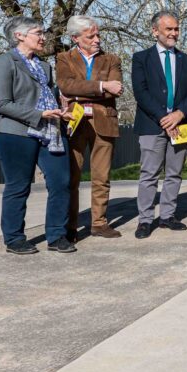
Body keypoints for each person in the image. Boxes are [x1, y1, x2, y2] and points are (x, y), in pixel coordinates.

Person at [0, 16, 75, 254]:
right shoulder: (2, 62)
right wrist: (40, 113)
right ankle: (14, 238)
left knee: (61, 181)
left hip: (49, 131)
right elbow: (2, 103)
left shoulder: (44, 66)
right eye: (38, 33)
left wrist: (60, 106)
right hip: (14, 133)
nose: (43, 37)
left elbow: (42, 95)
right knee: (19, 185)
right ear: (19, 35)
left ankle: (57, 235)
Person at [131, 10, 187, 239]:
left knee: (175, 173)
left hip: (181, 125)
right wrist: (165, 117)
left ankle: (168, 216)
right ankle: (145, 219)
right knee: (149, 174)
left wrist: (179, 114)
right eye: (168, 29)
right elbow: (141, 93)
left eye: (176, 29)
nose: (173, 33)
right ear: (155, 31)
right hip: (152, 125)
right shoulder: (141, 58)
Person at [56, 15, 123, 241]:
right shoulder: (64, 58)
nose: (97, 39)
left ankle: (99, 223)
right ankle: (70, 227)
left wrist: (77, 92)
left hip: (105, 122)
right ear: (75, 38)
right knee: (72, 177)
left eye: (98, 34)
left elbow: (117, 89)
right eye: (91, 35)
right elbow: (65, 85)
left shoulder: (112, 59)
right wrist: (102, 85)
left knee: (101, 177)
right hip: (73, 123)